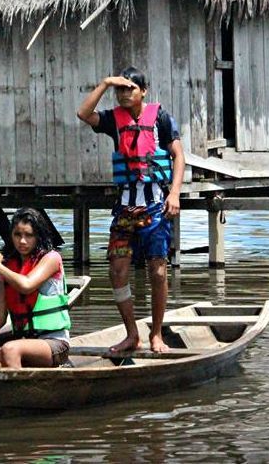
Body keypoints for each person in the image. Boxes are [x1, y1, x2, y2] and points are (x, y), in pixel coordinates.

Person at [76, 66, 185, 353]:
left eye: (130, 89)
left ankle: (157, 334)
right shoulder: (113, 119)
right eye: (120, 89)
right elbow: (83, 114)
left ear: (143, 91)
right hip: (124, 209)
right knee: (117, 270)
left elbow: (179, 155)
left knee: (158, 272)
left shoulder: (160, 118)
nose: (124, 94)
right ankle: (131, 333)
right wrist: (105, 81)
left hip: (156, 207)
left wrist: (174, 193)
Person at [0, 208, 71, 368]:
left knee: (10, 348)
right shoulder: (10, 268)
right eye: (17, 235)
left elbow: (27, 285)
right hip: (22, 343)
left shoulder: (51, 258)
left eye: (29, 235)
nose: (22, 241)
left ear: (38, 236)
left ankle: (19, 391)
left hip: (54, 344)